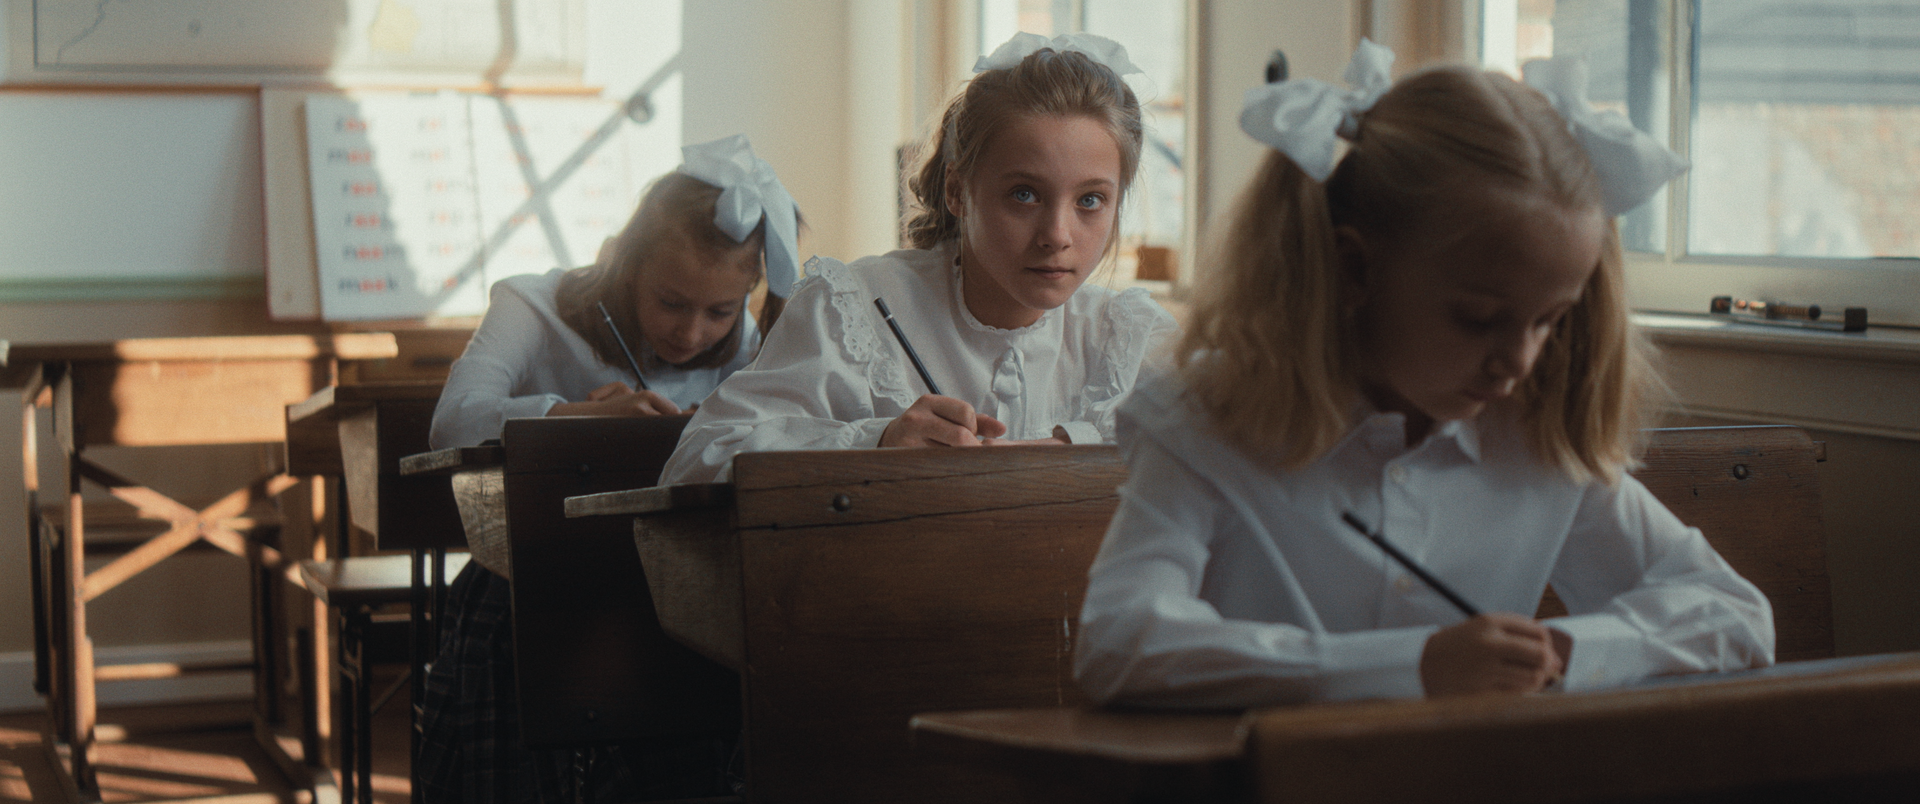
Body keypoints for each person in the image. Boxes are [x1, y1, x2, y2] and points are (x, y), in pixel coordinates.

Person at [1073, 42, 1774, 709]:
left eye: (1548, 320)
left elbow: (1736, 615)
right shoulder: (1204, 421)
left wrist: (1570, 652)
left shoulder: (1533, 438)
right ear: (1354, 270)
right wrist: (1412, 667)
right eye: (1477, 319)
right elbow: (1120, 644)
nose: (1520, 361)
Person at [418, 134, 800, 801]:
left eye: (720, 311)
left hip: (668, 585)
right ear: (626, 264)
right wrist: (574, 417)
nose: (691, 334)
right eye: (671, 302)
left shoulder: (752, 348)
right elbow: (454, 421)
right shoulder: (532, 305)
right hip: (531, 572)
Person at [661, 32, 1180, 484]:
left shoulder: (1130, 340)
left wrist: (1073, 450)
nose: (1057, 235)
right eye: (1024, 194)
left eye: (1090, 200)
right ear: (958, 191)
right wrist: (876, 443)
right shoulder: (850, 311)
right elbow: (695, 461)